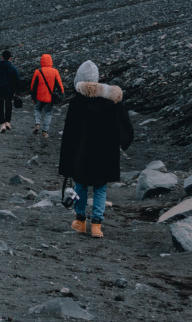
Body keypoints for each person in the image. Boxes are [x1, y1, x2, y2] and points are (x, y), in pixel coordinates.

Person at [56, 60, 131, 238]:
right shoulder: (113, 102)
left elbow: (70, 133)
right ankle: (97, 225)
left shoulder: (77, 103)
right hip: (106, 152)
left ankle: (80, 221)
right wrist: (123, 142)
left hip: (83, 152)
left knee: (80, 185)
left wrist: (67, 161)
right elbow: (125, 126)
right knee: (100, 188)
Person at [28, 53, 65, 136]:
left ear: (41, 61)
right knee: (48, 113)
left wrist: (33, 97)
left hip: (39, 97)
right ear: (50, 61)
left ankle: (37, 124)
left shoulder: (38, 71)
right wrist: (62, 98)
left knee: (37, 110)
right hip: (49, 98)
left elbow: (33, 86)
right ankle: (44, 131)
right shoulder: (55, 72)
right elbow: (60, 86)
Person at [0, 50, 21, 132]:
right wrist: (17, 92)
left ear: (2, 57)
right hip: (9, 90)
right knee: (8, 106)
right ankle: (7, 121)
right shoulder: (13, 68)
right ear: (10, 58)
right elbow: (17, 81)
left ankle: (2, 124)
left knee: (0, 106)